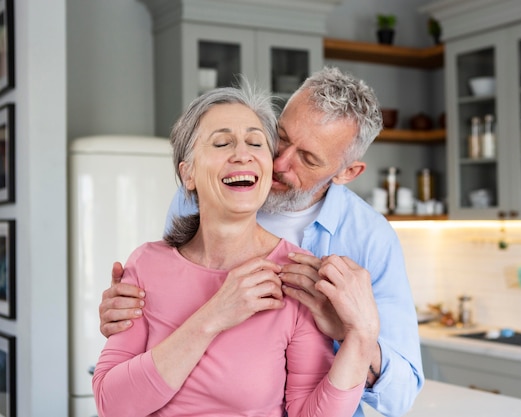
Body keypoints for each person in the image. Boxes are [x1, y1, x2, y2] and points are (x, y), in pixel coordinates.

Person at [99, 67, 424, 416]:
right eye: (280, 137)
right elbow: (165, 289)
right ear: (188, 174)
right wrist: (127, 311)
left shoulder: (367, 241)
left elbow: (399, 394)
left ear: (347, 173)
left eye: (308, 158)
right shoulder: (185, 208)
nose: (279, 161)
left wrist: (354, 333)